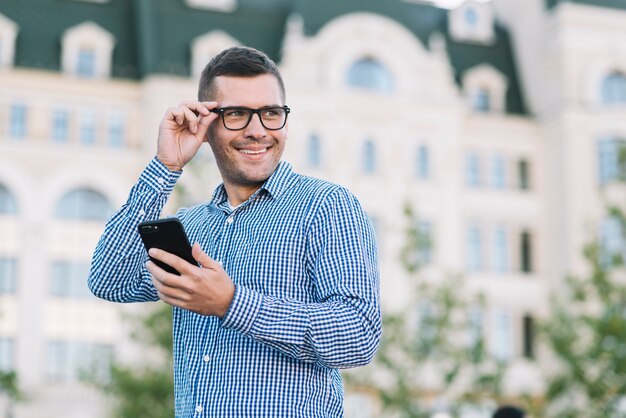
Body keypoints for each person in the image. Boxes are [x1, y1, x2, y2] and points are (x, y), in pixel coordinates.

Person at [88, 46, 381, 417]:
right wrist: (165, 167)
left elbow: (357, 336)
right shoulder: (191, 226)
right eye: (238, 115)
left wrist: (232, 303)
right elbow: (109, 280)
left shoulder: (327, 207)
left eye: (271, 113)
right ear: (206, 125)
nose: (258, 131)